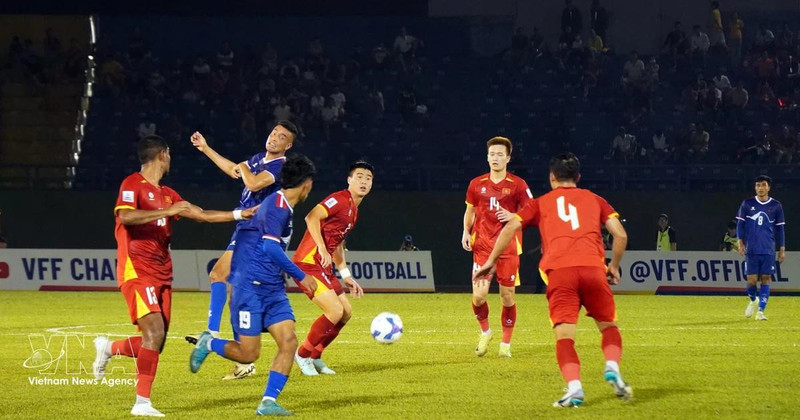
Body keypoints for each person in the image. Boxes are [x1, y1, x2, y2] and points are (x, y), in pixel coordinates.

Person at [92, 135, 257, 417]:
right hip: (136, 268)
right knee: (154, 333)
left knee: (156, 340)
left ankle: (108, 347)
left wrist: (241, 214)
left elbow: (202, 214)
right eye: (169, 154)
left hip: (163, 272)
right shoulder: (132, 184)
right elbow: (125, 218)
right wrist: (168, 211)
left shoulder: (168, 192)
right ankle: (141, 403)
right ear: (163, 155)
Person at [474, 153, 632, 407]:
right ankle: (612, 366)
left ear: (551, 178)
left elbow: (510, 227)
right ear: (578, 178)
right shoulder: (595, 200)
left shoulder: (540, 203)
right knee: (609, 327)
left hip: (560, 273)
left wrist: (490, 261)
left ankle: (575, 389)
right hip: (593, 269)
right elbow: (620, 235)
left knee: (565, 338)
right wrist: (613, 266)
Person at [189, 155, 318, 416]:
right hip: (250, 290)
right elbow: (271, 247)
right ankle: (208, 344)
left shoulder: (278, 205)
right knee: (248, 355)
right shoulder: (278, 206)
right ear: (306, 185)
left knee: (289, 342)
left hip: (272, 288)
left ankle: (268, 402)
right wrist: (300, 275)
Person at [189, 120, 298, 380]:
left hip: (259, 231)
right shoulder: (259, 158)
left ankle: (214, 336)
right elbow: (235, 171)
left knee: (220, 276)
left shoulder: (279, 166)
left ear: (288, 146)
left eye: (281, 137)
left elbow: (253, 184)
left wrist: (244, 168)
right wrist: (206, 149)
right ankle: (242, 357)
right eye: (273, 132)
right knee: (234, 289)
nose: (274, 137)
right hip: (245, 228)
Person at [291, 161, 373, 375]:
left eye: (368, 178)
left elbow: (338, 244)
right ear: (349, 180)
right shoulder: (339, 199)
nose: (364, 181)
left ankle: (316, 356)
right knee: (334, 310)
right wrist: (320, 246)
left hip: (323, 266)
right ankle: (302, 354)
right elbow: (311, 217)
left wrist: (346, 275)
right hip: (308, 263)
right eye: (360, 176)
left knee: (345, 312)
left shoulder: (354, 211)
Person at [461, 137, 534, 358]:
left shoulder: (518, 185)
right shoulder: (476, 184)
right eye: (492, 154)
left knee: (507, 297)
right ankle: (486, 332)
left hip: (508, 249)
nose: (495, 158)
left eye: (500, 154)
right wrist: (465, 231)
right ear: (487, 157)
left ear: (508, 158)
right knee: (479, 297)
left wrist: (513, 215)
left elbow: (533, 211)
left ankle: (505, 344)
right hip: (482, 247)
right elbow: (470, 210)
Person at [736, 175, 785, 321]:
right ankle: (753, 300)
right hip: (751, 248)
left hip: (768, 249)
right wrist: (740, 242)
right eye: (758, 185)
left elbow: (780, 229)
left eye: (763, 185)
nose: (760, 188)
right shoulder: (747, 204)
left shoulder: (776, 205)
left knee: (766, 279)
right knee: (751, 281)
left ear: (768, 187)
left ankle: (761, 312)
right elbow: (740, 225)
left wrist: (782, 248)